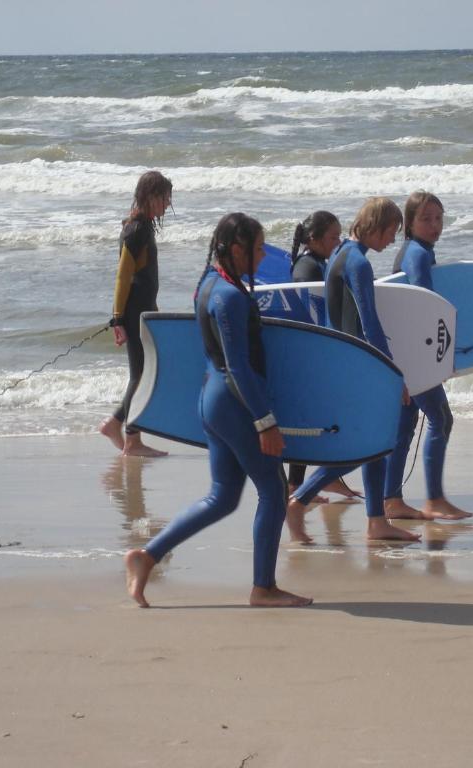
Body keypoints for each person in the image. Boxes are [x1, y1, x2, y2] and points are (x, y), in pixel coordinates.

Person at [124, 213, 312, 608]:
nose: (263, 257)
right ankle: (264, 588)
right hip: (235, 403)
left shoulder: (208, 285)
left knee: (223, 496)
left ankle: (147, 556)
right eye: (258, 249)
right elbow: (239, 366)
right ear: (238, 249)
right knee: (274, 491)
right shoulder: (228, 297)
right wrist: (265, 423)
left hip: (213, 397)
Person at [285, 198, 420, 545]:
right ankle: (299, 500)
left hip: (342, 360)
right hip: (358, 364)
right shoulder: (358, 263)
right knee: (373, 443)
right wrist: (393, 373)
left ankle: (376, 520)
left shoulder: (338, 256)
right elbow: (370, 324)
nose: (392, 240)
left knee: (373, 442)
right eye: (391, 231)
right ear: (376, 226)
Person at [383, 191, 471, 521]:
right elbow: (426, 308)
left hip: (404, 354)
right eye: (426, 219)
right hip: (416, 356)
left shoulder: (413, 251)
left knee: (406, 425)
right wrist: (439, 358)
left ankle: (392, 499)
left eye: (438, 218)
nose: (435, 225)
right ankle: (433, 499)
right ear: (409, 223)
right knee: (441, 419)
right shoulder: (418, 255)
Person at [286, 211, 361, 502]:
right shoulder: (307, 268)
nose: (337, 241)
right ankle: (295, 487)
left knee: (322, 421)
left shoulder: (316, 263)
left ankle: (329, 480)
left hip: (313, 354)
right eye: (332, 237)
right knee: (310, 423)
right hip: (309, 357)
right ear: (314, 239)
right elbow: (309, 311)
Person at [100, 170, 173, 457]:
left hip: (141, 311)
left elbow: (143, 278)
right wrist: (118, 318)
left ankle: (116, 424)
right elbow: (123, 276)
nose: (167, 204)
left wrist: (152, 309)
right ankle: (131, 438)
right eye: (165, 198)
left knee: (144, 373)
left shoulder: (142, 226)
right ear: (151, 197)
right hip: (133, 313)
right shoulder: (136, 230)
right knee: (140, 375)